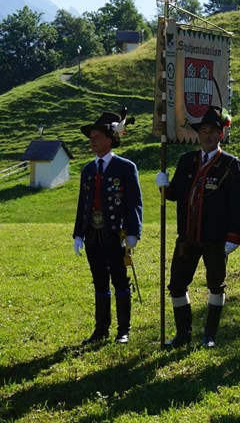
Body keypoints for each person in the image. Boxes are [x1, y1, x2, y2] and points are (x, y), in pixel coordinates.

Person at [156, 105, 240, 349]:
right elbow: (175, 193)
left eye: (212, 131)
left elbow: (238, 204)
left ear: (221, 135)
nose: (207, 135)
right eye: (203, 130)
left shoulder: (229, 164)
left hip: (215, 237)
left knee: (216, 284)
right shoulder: (187, 161)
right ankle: (183, 334)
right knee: (176, 284)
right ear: (198, 134)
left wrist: (234, 236)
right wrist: (163, 186)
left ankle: (210, 334)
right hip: (187, 236)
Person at [73, 109, 143, 344]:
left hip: (116, 232)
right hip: (93, 233)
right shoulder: (88, 170)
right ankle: (101, 328)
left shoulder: (125, 167)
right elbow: (83, 204)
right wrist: (78, 234)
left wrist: (133, 231)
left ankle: (124, 330)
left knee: (120, 279)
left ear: (110, 139)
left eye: (97, 136)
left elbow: (134, 200)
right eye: (91, 137)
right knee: (99, 279)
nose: (92, 141)